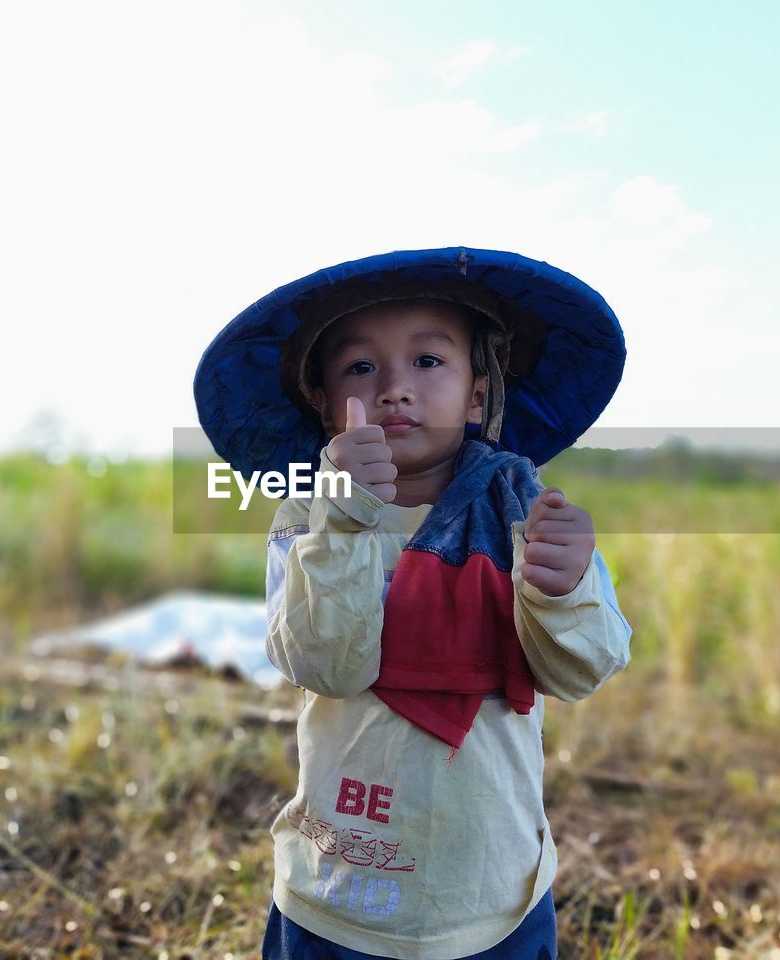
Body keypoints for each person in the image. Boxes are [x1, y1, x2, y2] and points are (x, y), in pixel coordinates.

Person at [194, 247, 633, 960]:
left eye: (429, 361)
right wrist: (344, 514)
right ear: (324, 403)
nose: (395, 387)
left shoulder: (527, 513)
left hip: (491, 892)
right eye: (361, 368)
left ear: (480, 395)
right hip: (337, 888)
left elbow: (581, 669)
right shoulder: (307, 516)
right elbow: (323, 664)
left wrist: (566, 585)